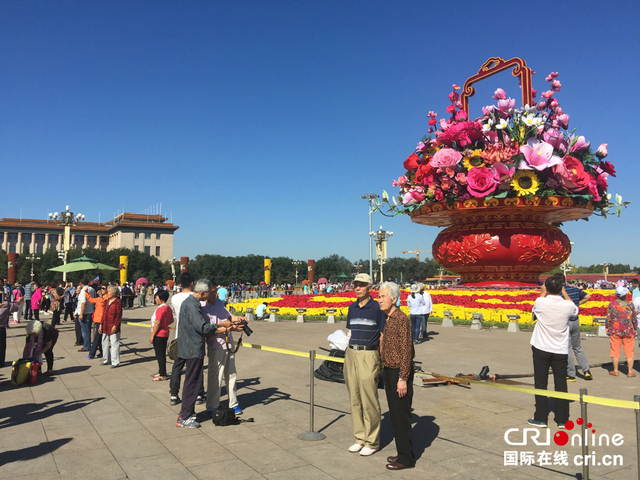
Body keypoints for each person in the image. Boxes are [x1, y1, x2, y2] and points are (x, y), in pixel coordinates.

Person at [176, 279, 234, 428]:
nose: (208, 297)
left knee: (193, 381)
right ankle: (185, 416)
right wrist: (221, 325)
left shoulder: (190, 303)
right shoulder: (192, 305)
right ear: (201, 293)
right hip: (193, 348)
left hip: (192, 347)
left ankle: (188, 412)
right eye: (207, 294)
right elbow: (202, 327)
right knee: (193, 382)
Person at [528, 275, 577, 428]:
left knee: (540, 381)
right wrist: (564, 292)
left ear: (547, 288)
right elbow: (575, 311)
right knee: (561, 382)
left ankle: (541, 417)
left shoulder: (540, 301)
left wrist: (543, 292)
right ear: (561, 288)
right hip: (560, 349)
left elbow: (534, 310)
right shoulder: (568, 305)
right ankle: (562, 419)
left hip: (541, 347)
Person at [344, 273, 385, 456]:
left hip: (369, 354)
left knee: (369, 398)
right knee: (355, 398)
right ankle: (360, 438)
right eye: (356, 285)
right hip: (351, 353)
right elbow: (350, 330)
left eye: (361, 285)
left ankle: (372, 441)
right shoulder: (352, 307)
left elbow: (383, 334)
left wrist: (381, 357)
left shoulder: (376, 307)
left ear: (370, 287)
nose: (357, 288)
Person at [378, 282, 415, 470]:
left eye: (383, 296)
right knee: (395, 415)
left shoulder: (401, 319)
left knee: (401, 416)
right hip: (388, 370)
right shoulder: (386, 318)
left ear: (394, 299)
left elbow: (407, 351)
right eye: (379, 296)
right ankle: (403, 453)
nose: (380, 300)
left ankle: (406, 459)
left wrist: (403, 378)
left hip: (399, 373)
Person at [202, 287, 245, 416]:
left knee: (231, 375)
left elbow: (229, 316)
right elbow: (209, 329)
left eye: (216, 292)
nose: (215, 295)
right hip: (216, 345)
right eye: (212, 292)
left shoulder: (220, 303)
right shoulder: (203, 307)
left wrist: (239, 319)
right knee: (216, 377)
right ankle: (212, 406)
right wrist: (230, 328)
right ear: (205, 292)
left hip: (228, 344)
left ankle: (234, 404)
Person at [169, 272, 206, 406]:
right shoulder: (194, 298)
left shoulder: (175, 298)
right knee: (196, 366)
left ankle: (174, 394)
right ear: (192, 283)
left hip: (180, 334)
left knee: (177, 366)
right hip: (193, 336)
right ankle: (199, 394)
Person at [558, 274, 593, 381]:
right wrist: (577, 304)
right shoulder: (575, 290)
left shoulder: (559, 293)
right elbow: (588, 296)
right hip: (576, 320)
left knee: (567, 348)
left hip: (566, 321)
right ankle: (586, 370)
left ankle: (571, 374)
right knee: (577, 347)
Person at [606, 286, 637, 377]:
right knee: (629, 351)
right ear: (626, 295)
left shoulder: (612, 304)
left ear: (616, 295)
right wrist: (635, 329)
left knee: (615, 350)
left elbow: (608, 317)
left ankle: (615, 370)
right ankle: (630, 371)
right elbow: (634, 319)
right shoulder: (630, 305)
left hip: (615, 330)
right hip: (628, 330)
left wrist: (607, 327)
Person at [150, 289, 173, 381]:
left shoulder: (160, 309)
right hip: (165, 333)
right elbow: (171, 320)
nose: (155, 299)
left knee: (160, 355)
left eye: (156, 298)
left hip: (159, 334)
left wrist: (152, 335)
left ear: (161, 298)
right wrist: (165, 324)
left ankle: (163, 374)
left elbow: (157, 323)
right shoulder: (168, 308)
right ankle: (161, 371)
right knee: (161, 354)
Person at [100, 286, 122, 368]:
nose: (108, 293)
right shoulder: (107, 302)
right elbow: (104, 313)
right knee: (104, 342)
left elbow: (119, 315)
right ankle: (106, 359)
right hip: (105, 324)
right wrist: (101, 324)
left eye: (109, 291)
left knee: (114, 343)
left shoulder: (118, 302)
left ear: (114, 292)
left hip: (113, 325)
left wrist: (116, 325)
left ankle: (115, 361)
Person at [86, 285, 107, 359]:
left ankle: (92, 353)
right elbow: (91, 300)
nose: (102, 290)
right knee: (100, 337)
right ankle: (102, 352)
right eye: (101, 288)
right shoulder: (99, 298)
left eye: (104, 288)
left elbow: (103, 304)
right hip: (97, 319)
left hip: (101, 320)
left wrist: (101, 296)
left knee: (97, 337)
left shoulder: (106, 298)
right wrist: (86, 293)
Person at [77, 279, 97, 353]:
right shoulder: (92, 289)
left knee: (85, 330)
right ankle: (87, 344)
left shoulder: (83, 291)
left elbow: (83, 303)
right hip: (90, 310)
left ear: (81, 284)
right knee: (87, 329)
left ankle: (86, 345)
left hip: (85, 312)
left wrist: (81, 313)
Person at [0, 298, 19, 367]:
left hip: (2, 328)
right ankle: (1, 362)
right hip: (2, 328)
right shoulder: (6, 304)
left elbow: (15, 307)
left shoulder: (5, 304)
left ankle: (1, 362)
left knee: (2, 346)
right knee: (1, 346)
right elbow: (15, 307)